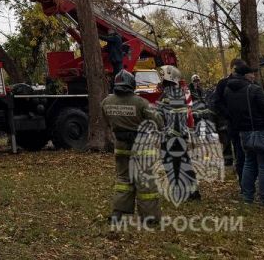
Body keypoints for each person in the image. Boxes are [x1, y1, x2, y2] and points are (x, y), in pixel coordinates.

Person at [102, 69, 163, 226]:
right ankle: (150, 218)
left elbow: (107, 122)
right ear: (131, 84)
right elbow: (158, 123)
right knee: (145, 181)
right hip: (141, 147)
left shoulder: (106, 102)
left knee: (123, 179)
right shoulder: (140, 102)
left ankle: (118, 214)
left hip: (121, 147)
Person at [222, 62, 264, 206]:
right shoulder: (254, 89)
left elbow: (224, 109)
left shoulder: (228, 90)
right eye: (252, 73)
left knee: (249, 163)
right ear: (246, 75)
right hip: (261, 131)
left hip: (243, 133)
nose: (254, 75)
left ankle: (247, 197)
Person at [155, 65, 201, 201]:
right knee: (184, 162)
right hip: (179, 135)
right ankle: (192, 192)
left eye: (162, 76)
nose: (161, 79)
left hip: (170, 136)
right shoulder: (178, 92)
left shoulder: (168, 94)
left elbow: (160, 116)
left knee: (172, 165)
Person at [209, 58, 247, 181]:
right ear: (233, 69)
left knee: (243, 149)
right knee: (231, 144)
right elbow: (216, 102)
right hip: (229, 121)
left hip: (245, 122)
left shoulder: (247, 82)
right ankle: (236, 171)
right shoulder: (223, 83)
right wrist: (227, 114)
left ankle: (243, 174)